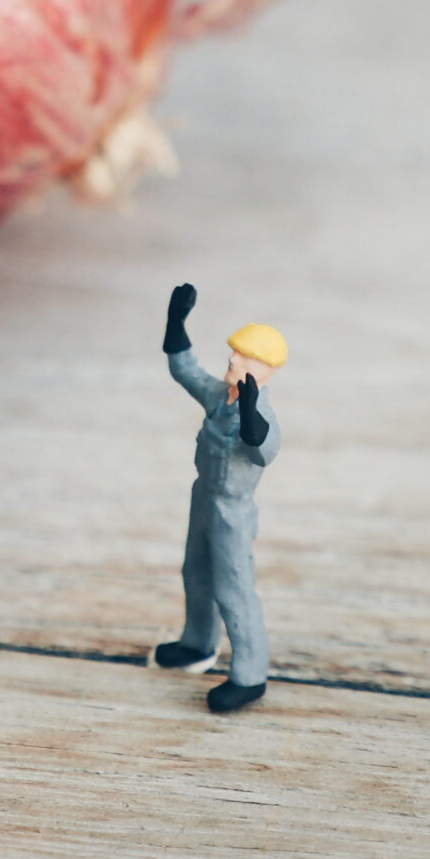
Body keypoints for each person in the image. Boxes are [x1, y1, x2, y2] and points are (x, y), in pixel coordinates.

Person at [153, 282, 287, 714]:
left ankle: (249, 675)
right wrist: (176, 323)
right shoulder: (219, 395)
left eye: (245, 356)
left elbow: (263, 450)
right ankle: (197, 643)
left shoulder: (261, 412)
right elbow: (185, 370)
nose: (233, 359)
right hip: (203, 497)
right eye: (234, 351)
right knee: (195, 572)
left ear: (265, 369)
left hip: (233, 510)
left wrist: (250, 412)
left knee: (234, 588)